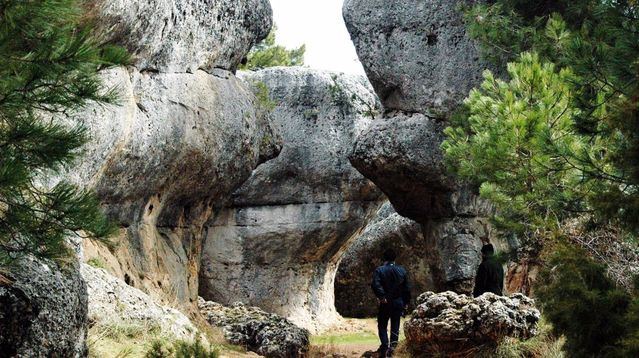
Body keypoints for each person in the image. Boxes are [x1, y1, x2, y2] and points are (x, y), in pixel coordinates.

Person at [371, 248, 411, 357]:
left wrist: (382, 296)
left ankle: (384, 347)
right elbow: (406, 288)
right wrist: (406, 302)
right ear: (395, 258)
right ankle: (393, 348)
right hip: (398, 302)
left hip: (386, 302)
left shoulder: (379, 270)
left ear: (384, 258)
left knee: (382, 325)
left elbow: (375, 284)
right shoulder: (402, 270)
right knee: (395, 324)